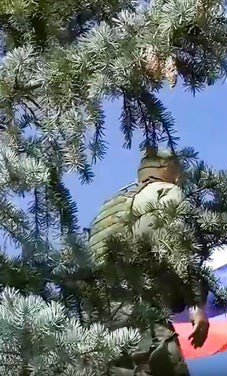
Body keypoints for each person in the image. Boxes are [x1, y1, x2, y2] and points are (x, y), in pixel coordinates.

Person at [87, 148, 210, 376]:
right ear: (168, 169)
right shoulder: (166, 192)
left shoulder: (110, 205)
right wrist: (196, 305)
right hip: (142, 312)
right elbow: (178, 246)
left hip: (99, 320)